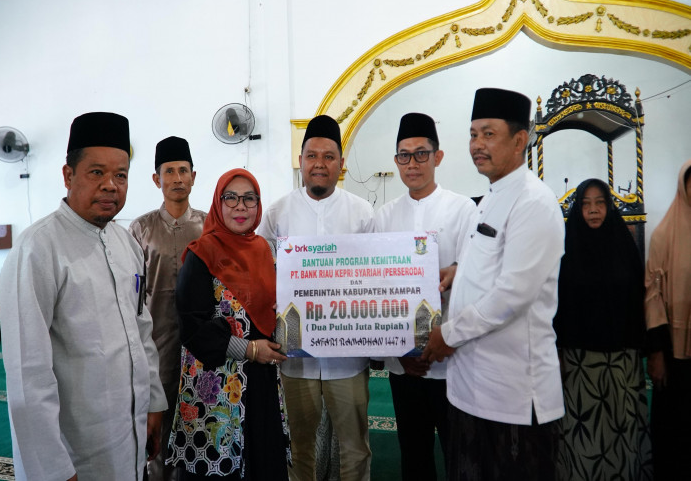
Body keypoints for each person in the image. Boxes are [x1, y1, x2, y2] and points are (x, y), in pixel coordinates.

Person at [0, 112, 167, 481]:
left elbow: (142, 330)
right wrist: (53, 470)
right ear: (68, 175)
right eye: (96, 172)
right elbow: (28, 375)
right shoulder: (37, 250)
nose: (110, 185)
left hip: (129, 432)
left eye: (120, 175)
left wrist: (153, 401)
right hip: (74, 452)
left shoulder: (126, 244)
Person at [422, 87, 565, 481]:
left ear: (519, 140)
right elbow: (490, 266)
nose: (477, 145)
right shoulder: (488, 199)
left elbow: (511, 295)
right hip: (472, 387)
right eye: (473, 134)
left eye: (488, 134)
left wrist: (447, 335)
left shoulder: (533, 202)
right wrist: (458, 271)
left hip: (513, 397)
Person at [259, 115, 375, 481]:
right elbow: (262, 271)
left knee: (355, 448)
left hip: (348, 357)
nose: (319, 164)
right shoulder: (277, 213)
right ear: (301, 161)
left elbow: (376, 278)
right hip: (295, 356)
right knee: (298, 448)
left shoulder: (362, 213)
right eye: (312, 156)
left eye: (328, 156)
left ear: (341, 163)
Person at [167, 168, 290, 479]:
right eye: (231, 198)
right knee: (220, 467)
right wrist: (249, 350)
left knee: (263, 461)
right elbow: (192, 327)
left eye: (249, 198)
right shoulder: (201, 254)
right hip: (215, 388)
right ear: (218, 203)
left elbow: (280, 307)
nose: (240, 206)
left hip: (261, 381)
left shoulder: (268, 251)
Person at [375, 112, 475, 480]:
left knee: (460, 455)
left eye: (421, 154)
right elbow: (377, 290)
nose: (412, 164)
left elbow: (476, 279)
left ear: (438, 156)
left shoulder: (463, 210)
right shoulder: (384, 217)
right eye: (404, 155)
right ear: (396, 160)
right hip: (404, 365)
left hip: (452, 360)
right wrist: (400, 352)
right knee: (414, 456)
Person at [553, 178, 652, 480]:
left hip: (622, 360)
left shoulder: (623, 246)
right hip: (580, 364)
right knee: (585, 434)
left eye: (599, 203)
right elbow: (557, 305)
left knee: (622, 430)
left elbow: (638, 299)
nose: (593, 210)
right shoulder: (566, 250)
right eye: (586, 204)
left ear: (608, 206)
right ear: (577, 209)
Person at [130, 136, 207, 481]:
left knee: (198, 420)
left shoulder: (209, 225)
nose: (177, 178)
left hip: (201, 346)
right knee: (156, 424)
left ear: (193, 176)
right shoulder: (141, 229)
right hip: (156, 345)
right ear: (156, 179)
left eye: (183, 171)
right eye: (169, 171)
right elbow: (132, 294)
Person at [645, 159, 691, 480]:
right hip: (675, 352)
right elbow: (653, 298)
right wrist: (657, 353)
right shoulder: (663, 235)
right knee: (677, 430)